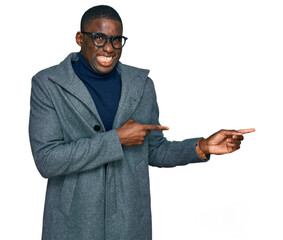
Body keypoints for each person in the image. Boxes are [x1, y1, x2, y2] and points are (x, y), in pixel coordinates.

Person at [28, 5, 255, 240]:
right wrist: (116, 139)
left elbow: (154, 150)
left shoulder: (141, 85)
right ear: (80, 38)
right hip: (72, 224)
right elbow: (47, 160)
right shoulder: (49, 84)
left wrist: (202, 146)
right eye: (99, 38)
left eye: (116, 40)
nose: (109, 47)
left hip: (128, 221)